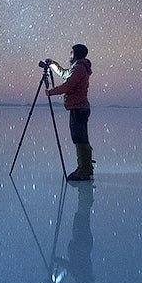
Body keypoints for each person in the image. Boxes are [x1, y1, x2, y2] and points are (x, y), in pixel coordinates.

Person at [46, 44, 93, 181]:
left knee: (80, 139)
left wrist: (51, 92)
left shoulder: (79, 68)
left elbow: (68, 85)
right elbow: (65, 74)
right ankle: (85, 167)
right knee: (80, 138)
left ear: (77, 54)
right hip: (78, 108)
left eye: (71, 53)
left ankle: (84, 170)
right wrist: (54, 65)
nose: (70, 55)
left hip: (79, 108)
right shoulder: (78, 67)